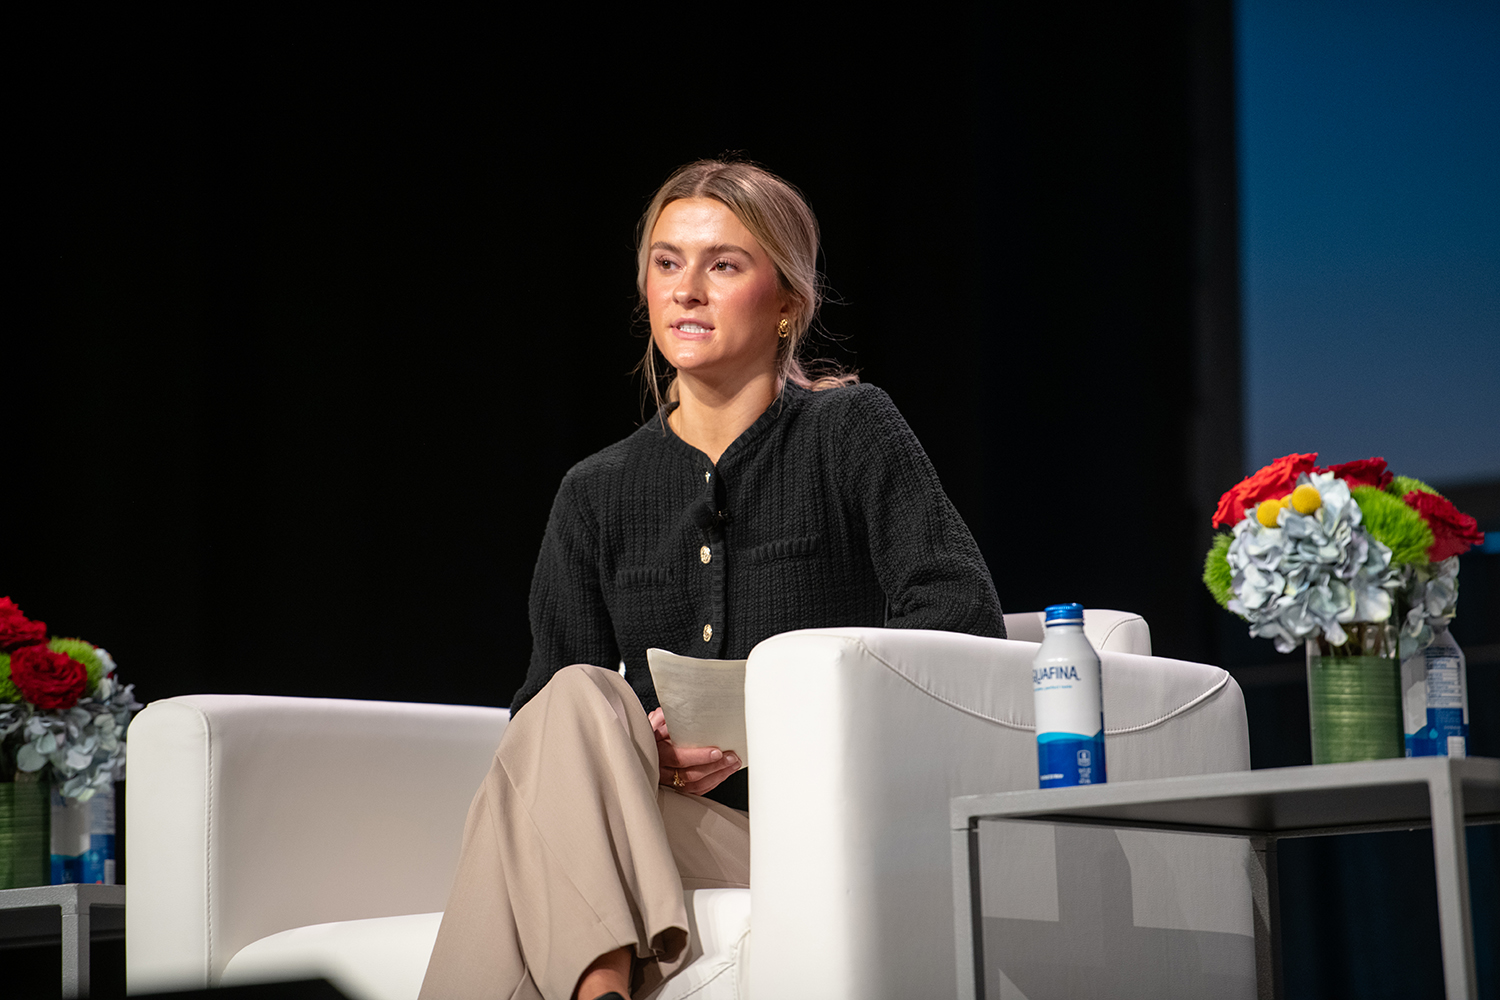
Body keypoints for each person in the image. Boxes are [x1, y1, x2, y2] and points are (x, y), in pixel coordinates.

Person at [419, 160, 1005, 1000]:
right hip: (651, 822)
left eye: (723, 265)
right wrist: (642, 755)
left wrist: (778, 724)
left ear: (786, 304)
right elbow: (543, 716)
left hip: (811, 833)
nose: (686, 290)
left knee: (524, 819)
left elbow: (959, 621)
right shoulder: (595, 490)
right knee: (576, 699)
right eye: (667, 263)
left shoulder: (850, 430)